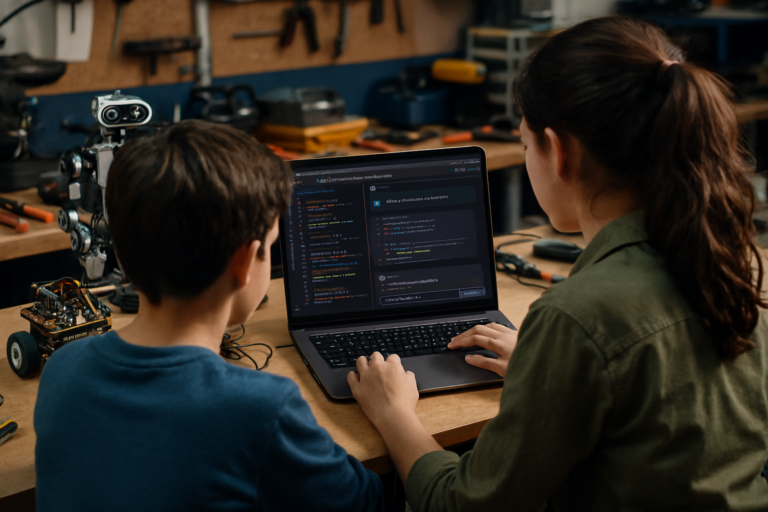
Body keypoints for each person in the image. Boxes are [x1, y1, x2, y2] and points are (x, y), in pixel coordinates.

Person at [348, 16, 768, 511]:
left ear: (560, 151)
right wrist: (542, 366)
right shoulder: (732, 261)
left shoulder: (578, 314)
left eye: (526, 143)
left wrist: (394, 413)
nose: (526, 157)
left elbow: (463, 504)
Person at [34, 120, 383, 511]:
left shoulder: (63, 371)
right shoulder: (261, 408)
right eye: (271, 245)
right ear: (245, 263)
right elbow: (366, 503)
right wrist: (394, 413)